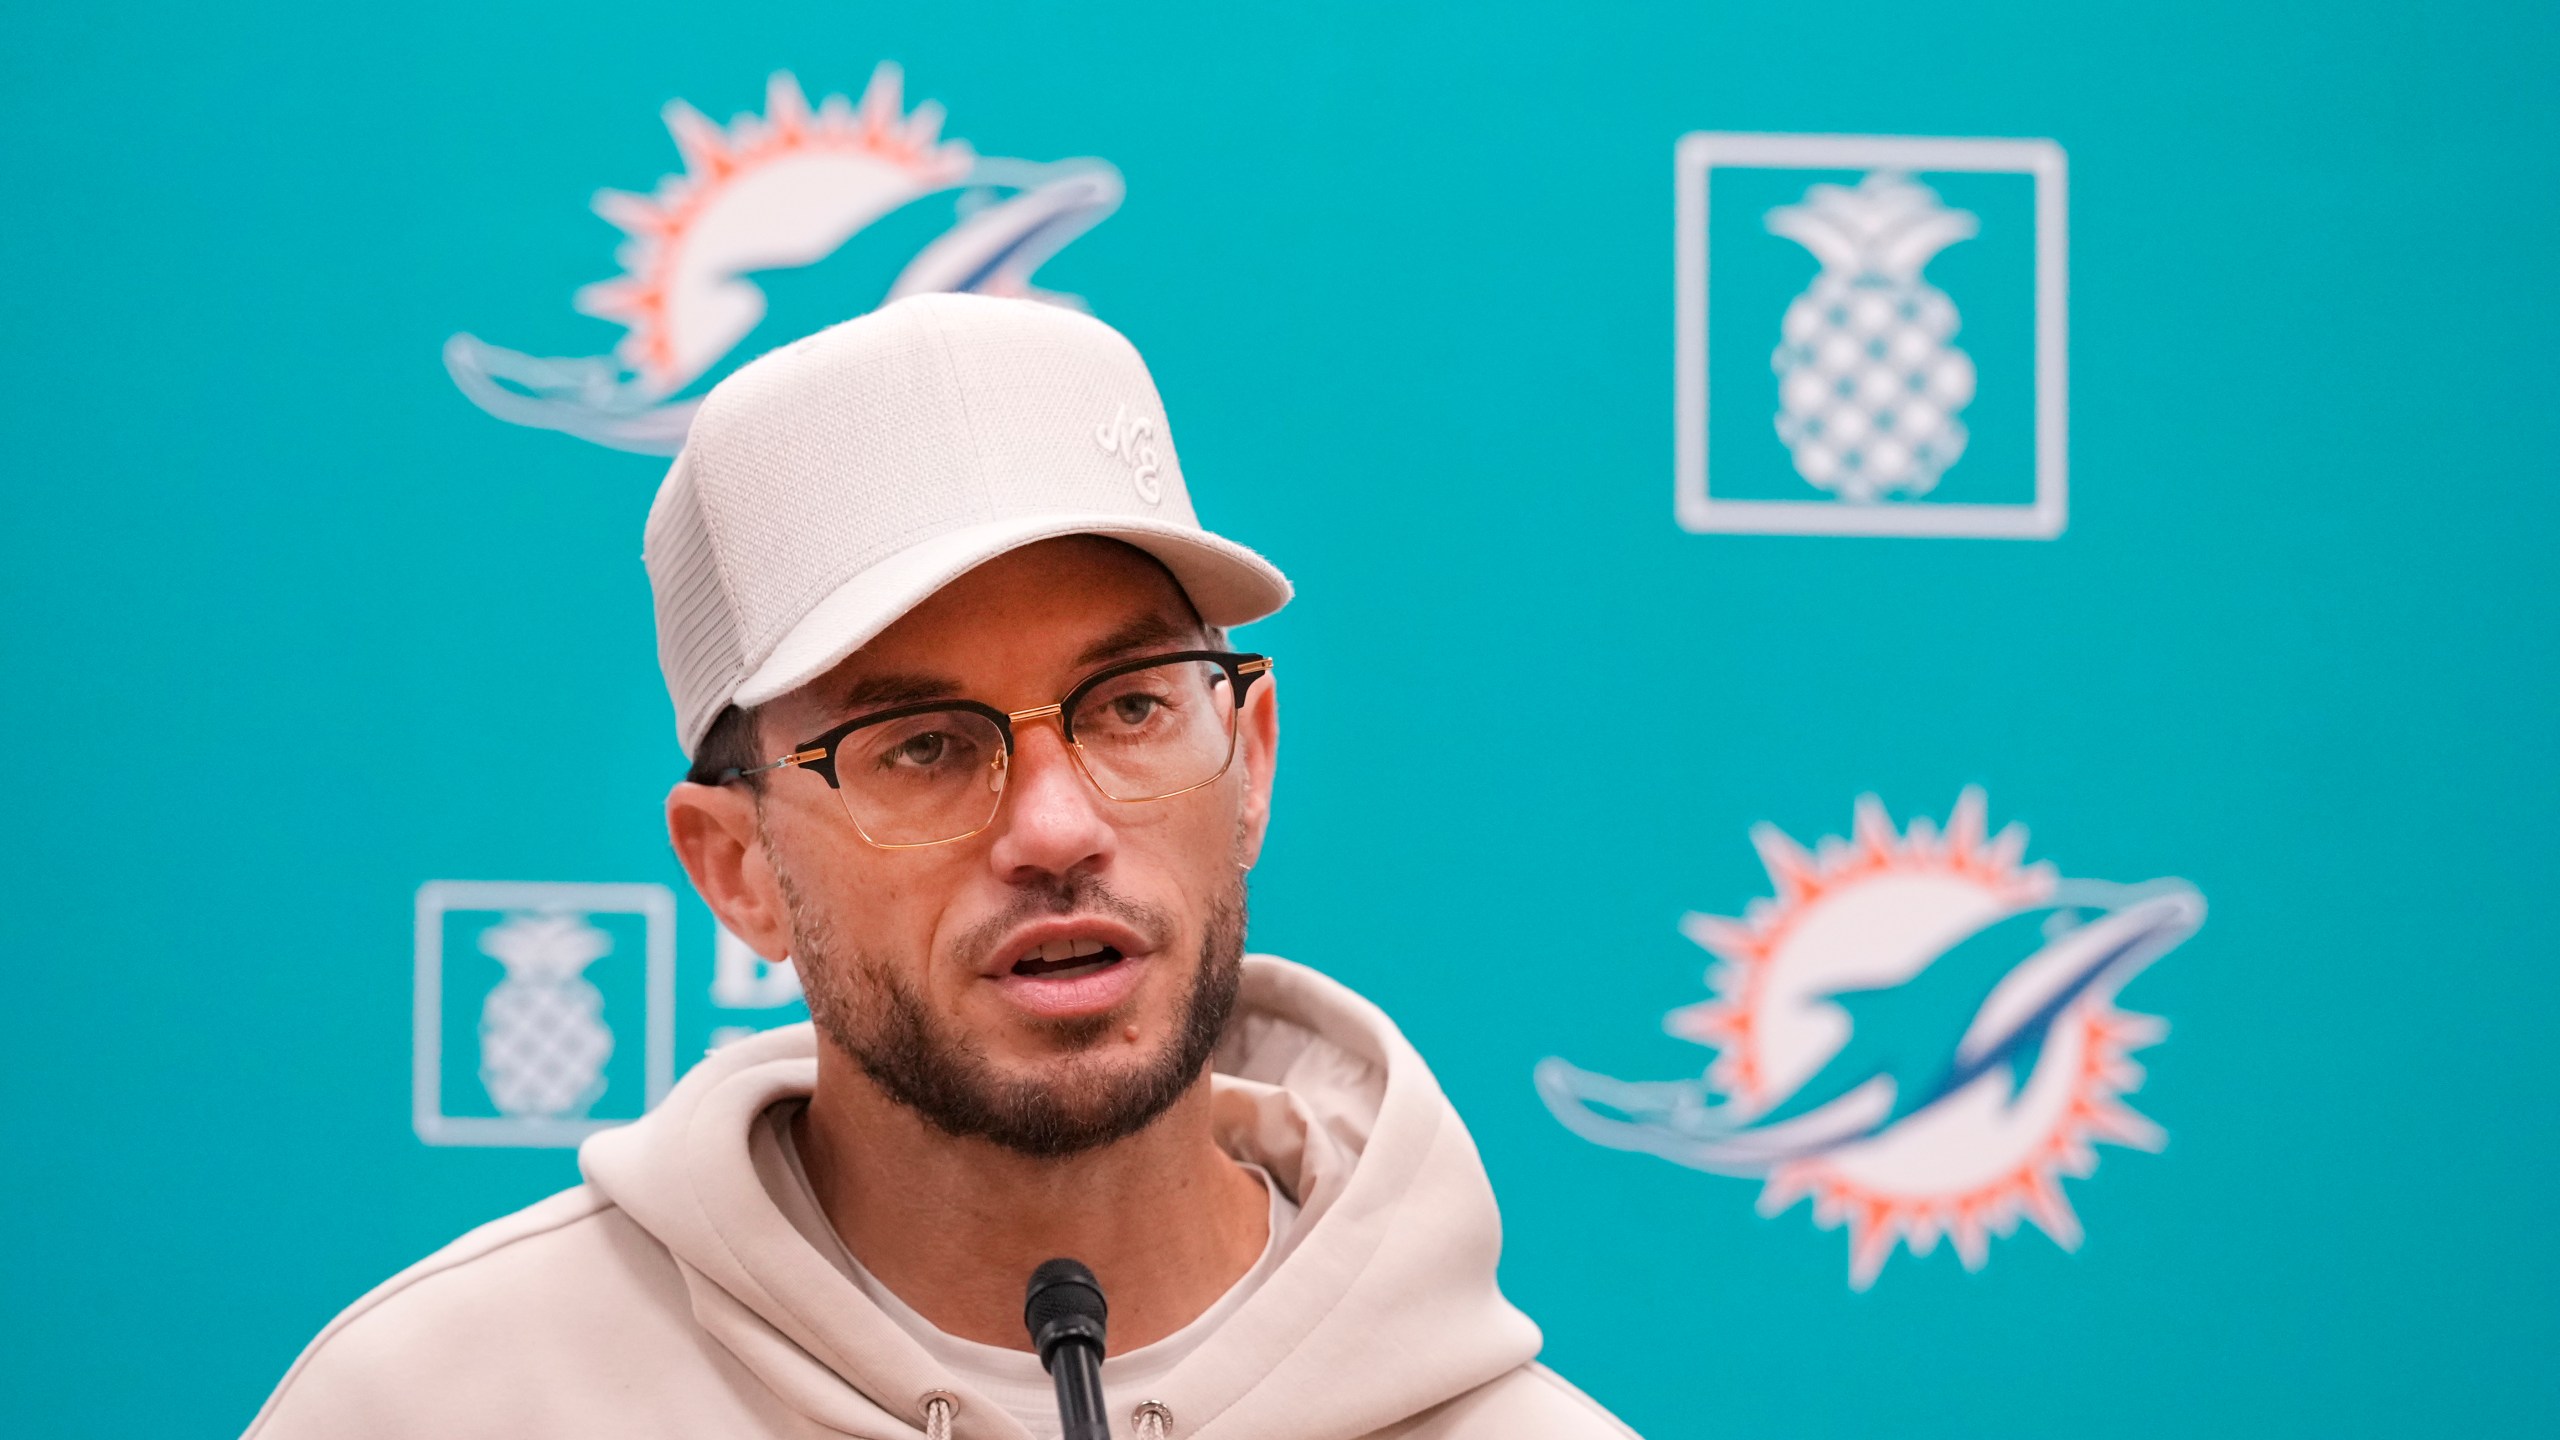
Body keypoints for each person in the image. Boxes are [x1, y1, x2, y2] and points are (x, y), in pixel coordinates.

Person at [247, 294, 1637, 1440]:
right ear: (737, 870)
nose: (1054, 828)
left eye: (1132, 706)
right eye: (920, 745)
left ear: (1251, 757)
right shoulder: (432, 1408)